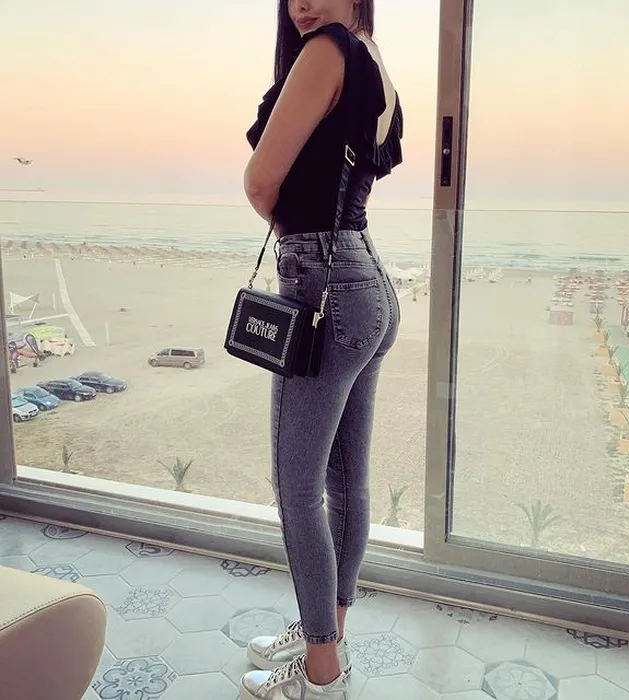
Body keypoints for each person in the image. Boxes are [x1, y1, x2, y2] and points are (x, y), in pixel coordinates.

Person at [239, 1, 403, 698]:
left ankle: (321, 671)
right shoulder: (370, 58)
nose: (300, 4)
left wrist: (294, 234)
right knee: (345, 483)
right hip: (368, 285)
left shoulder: (326, 49)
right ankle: (326, 631)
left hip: (324, 286)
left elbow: (260, 181)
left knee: (298, 489)